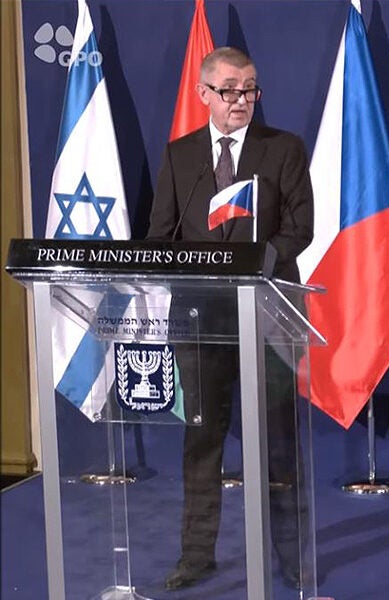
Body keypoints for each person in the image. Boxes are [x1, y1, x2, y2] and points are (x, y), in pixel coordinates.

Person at [146, 46, 314, 591]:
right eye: (229, 90)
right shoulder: (180, 156)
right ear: (204, 95)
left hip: (266, 318)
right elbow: (160, 236)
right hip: (199, 322)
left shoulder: (282, 149)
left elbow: (300, 227)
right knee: (201, 443)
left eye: (250, 89)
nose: (242, 100)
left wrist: (260, 259)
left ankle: (291, 558)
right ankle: (197, 556)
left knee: (277, 444)